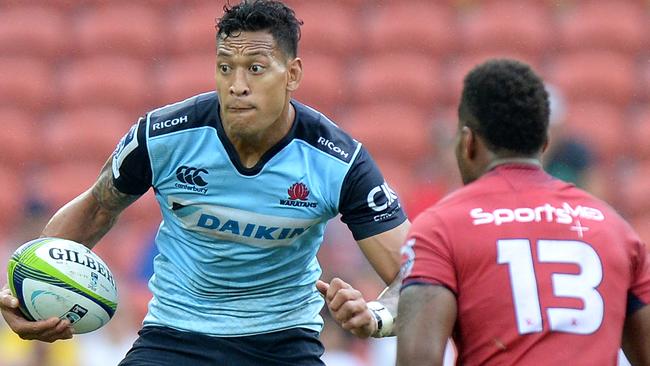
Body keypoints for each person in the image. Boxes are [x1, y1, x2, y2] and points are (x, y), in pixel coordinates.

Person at [0, 1, 410, 365]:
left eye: (255, 68)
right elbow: (97, 209)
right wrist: (19, 293)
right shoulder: (162, 136)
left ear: (293, 74)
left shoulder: (338, 161)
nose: (237, 85)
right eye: (225, 67)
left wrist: (377, 319)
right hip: (173, 338)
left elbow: (415, 278)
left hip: (283, 344)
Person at [396, 59, 650, 366]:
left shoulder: (440, 228)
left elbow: (418, 360)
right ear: (544, 143)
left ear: (468, 142)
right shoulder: (614, 229)